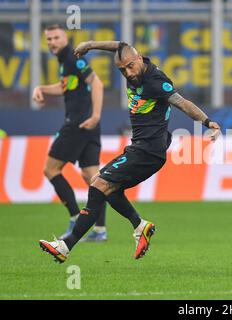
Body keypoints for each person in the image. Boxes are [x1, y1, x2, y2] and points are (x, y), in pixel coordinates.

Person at [38, 41, 221, 263]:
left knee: (97, 186)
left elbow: (183, 103)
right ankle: (140, 226)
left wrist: (208, 122)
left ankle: (65, 246)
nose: (128, 72)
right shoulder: (129, 60)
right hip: (140, 147)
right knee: (107, 188)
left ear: (140, 58)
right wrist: (90, 45)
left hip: (148, 151)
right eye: (122, 69)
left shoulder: (156, 81)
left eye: (130, 67)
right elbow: (120, 45)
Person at [32, 24, 107, 241]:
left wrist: (95, 116)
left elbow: (98, 84)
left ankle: (76, 218)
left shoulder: (74, 58)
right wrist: (42, 88)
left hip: (77, 124)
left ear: (65, 38)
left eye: (56, 37)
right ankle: (99, 231)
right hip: (88, 126)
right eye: (48, 39)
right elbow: (66, 86)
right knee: (93, 179)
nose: (52, 42)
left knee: (51, 170)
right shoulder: (66, 61)